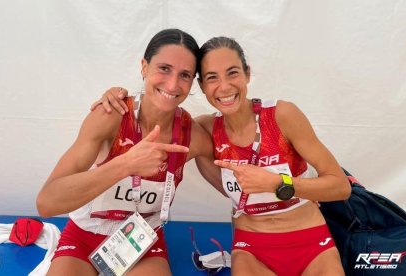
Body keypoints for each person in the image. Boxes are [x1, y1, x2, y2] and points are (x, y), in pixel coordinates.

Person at [95, 37, 351, 275]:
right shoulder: (203, 130)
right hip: (253, 247)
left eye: (233, 73)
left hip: (309, 238)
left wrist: (281, 185)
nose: (224, 86)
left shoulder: (282, 115)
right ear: (202, 86)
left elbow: (340, 187)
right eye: (212, 77)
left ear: (247, 74)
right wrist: (118, 97)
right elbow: (155, 120)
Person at [36, 28, 222, 276]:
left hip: (142, 241)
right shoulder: (110, 116)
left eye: (185, 75)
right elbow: (47, 203)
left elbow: (237, 191)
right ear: (144, 67)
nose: (173, 83)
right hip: (84, 236)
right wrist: (125, 164)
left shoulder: (193, 137)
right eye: (164, 68)